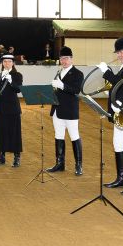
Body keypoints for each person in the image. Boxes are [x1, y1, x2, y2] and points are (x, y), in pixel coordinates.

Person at [96, 37, 123, 191]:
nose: (119, 55)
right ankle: (121, 178)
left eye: (122, 51)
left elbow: (122, 83)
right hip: (119, 114)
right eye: (118, 52)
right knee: (119, 144)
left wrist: (107, 72)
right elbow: (119, 85)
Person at [47, 46, 84, 174]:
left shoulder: (78, 73)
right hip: (57, 109)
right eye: (62, 58)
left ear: (71, 59)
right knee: (58, 136)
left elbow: (76, 90)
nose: (64, 61)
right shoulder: (58, 73)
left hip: (70, 110)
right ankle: (59, 163)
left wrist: (62, 85)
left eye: (66, 58)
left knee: (74, 136)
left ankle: (78, 165)